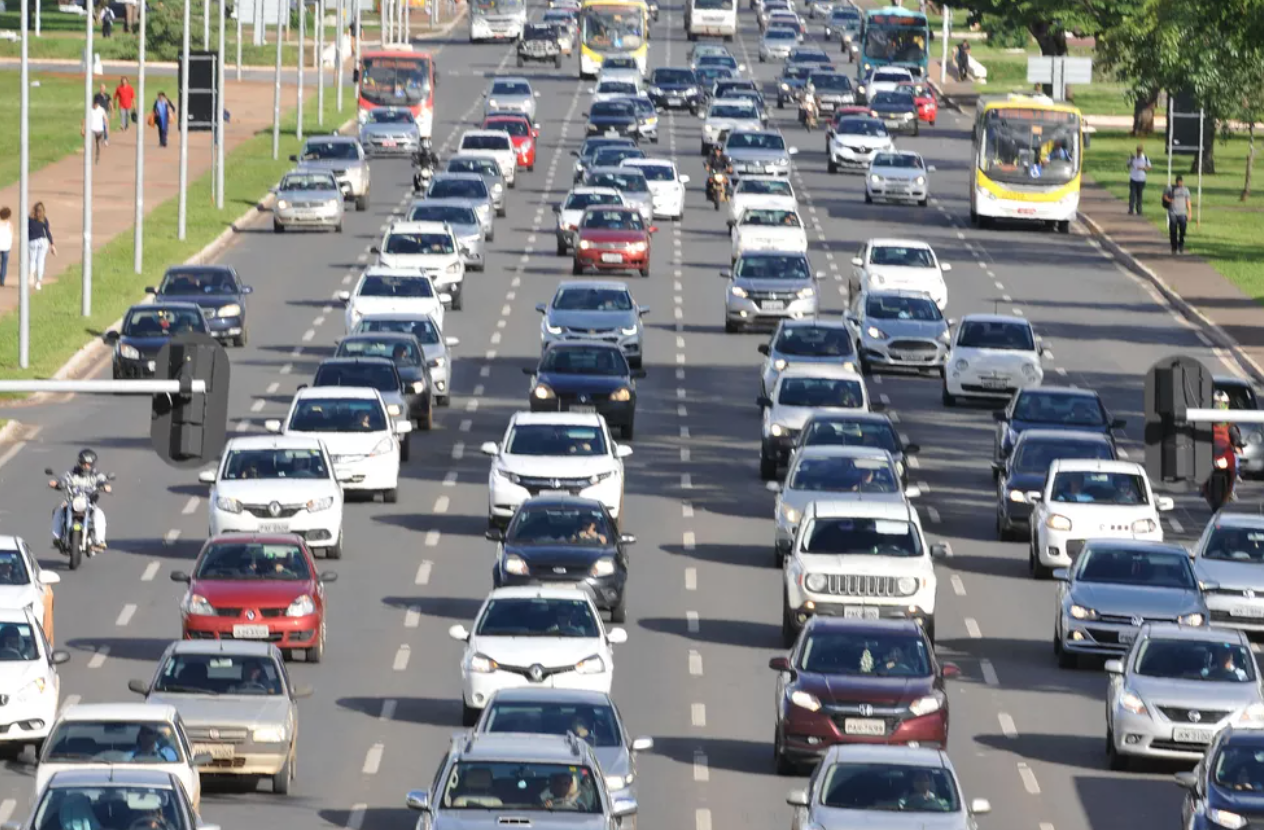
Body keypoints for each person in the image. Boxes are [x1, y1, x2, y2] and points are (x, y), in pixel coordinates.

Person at [49, 448, 111, 551]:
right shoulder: (72, 473)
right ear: (79, 462)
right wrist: (57, 483)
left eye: (89, 464)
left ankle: (100, 541)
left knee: (99, 514)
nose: (86, 466)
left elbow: (102, 480)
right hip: (72, 501)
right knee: (58, 510)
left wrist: (105, 485)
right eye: (84, 463)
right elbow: (63, 479)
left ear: (93, 464)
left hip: (89, 503)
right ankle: (57, 538)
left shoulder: (96, 474)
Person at [28, 202, 55, 291]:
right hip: (43, 241)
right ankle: (38, 282)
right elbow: (47, 232)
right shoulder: (44, 219)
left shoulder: (29, 219)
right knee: (40, 262)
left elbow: (26, 231)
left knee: (32, 260)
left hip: (32, 241)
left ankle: (31, 275)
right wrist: (52, 244)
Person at [1162, 174, 1192, 254]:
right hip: (1173, 212)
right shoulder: (1170, 189)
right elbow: (1164, 196)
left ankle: (1181, 243)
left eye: (1180, 182)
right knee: (1173, 230)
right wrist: (1169, 200)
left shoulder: (1185, 190)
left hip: (1182, 213)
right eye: (1178, 182)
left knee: (1183, 229)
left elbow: (1188, 201)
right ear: (1176, 182)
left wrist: (1189, 212)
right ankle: (1174, 247)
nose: (1179, 184)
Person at [1127, 145, 1151, 215]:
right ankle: (1131, 209)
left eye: (1140, 151)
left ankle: (1139, 210)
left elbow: (1149, 167)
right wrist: (1130, 160)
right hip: (1133, 178)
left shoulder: (1145, 158)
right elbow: (1128, 166)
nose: (1139, 152)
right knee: (1132, 195)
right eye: (1138, 151)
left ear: (1142, 151)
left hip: (1141, 179)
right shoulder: (1133, 157)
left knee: (1139, 195)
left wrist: (1143, 168)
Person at [84, 98, 108, 164]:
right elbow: (85, 119)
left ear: (98, 104)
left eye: (96, 104)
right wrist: (83, 129)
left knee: (98, 145)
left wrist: (106, 130)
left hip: (99, 130)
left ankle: (97, 156)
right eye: (94, 104)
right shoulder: (90, 109)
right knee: (88, 144)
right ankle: (88, 158)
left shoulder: (102, 110)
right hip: (91, 129)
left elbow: (106, 119)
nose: (95, 106)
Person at [0, 206, 11, 288]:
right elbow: (11, 235)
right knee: (4, 264)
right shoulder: (9, 224)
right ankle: (2, 280)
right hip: (6, 246)